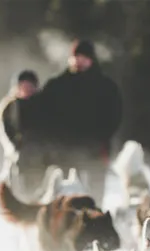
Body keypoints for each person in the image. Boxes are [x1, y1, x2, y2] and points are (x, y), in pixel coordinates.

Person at [38, 39, 123, 207]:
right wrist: (53, 142)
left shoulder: (106, 87)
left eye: (84, 57)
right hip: (63, 151)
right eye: (76, 57)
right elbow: (44, 116)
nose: (79, 61)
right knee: (62, 199)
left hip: (95, 151)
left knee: (95, 198)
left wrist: (99, 139)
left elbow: (114, 116)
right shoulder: (56, 86)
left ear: (92, 60)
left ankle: (94, 228)